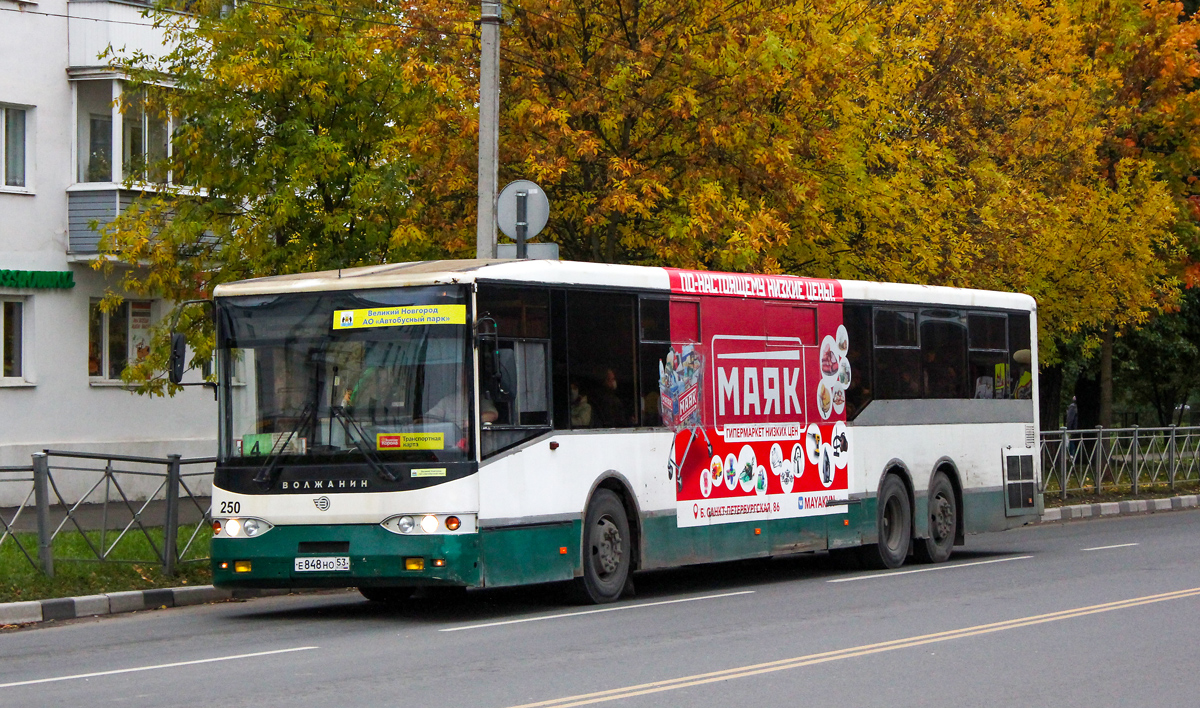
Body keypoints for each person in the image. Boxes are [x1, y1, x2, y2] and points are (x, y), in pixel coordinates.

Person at [1066, 396, 1079, 461]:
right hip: (1075, 428)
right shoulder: (1074, 407)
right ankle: (1072, 455)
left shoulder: (1072, 407)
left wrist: (1068, 428)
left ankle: (1072, 455)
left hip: (1074, 428)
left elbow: (1070, 419)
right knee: (1073, 441)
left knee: (1072, 441)